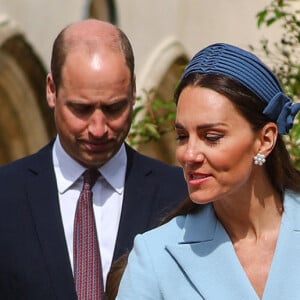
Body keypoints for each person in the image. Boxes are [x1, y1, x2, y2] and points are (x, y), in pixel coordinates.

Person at [0, 19, 188, 299]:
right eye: (81, 108)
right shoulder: (6, 194)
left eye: (114, 108)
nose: (98, 128)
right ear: (52, 90)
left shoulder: (182, 196)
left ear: (133, 90)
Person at [116, 42, 300, 300]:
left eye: (211, 137)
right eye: (182, 136)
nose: (189, 155)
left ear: (266, 139)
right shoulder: (156, 257)